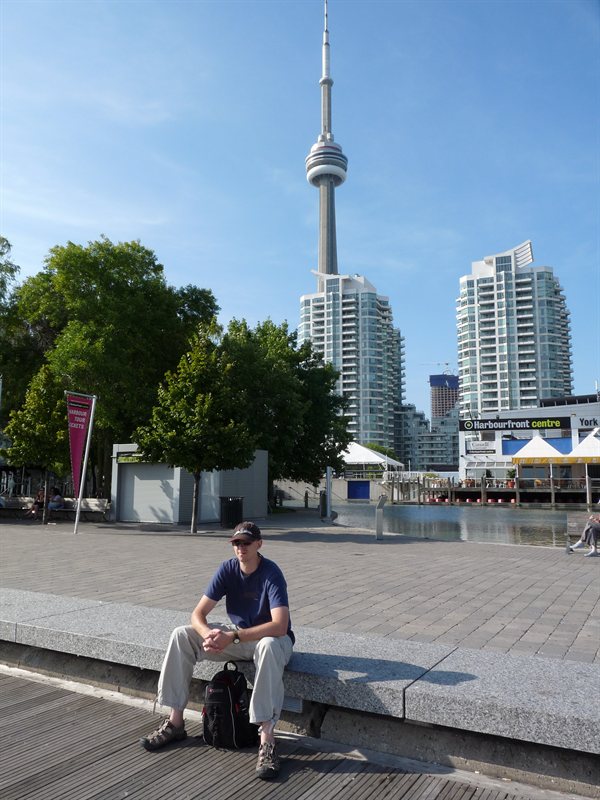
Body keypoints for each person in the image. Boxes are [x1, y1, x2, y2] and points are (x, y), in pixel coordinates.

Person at [140, 521, 294, 780]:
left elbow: (279, 626)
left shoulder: (271, 573)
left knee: (267, 645)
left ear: (259, 544)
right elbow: (197, 614)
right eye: (236, 543)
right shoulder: (227, 569)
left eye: (246, 543)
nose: (241, 548)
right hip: (238, 637)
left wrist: (231, 637)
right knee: (181, 635)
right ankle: (175, 721)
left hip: (271, 641)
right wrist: (208, 636)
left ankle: (267, 738)